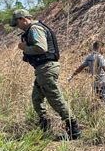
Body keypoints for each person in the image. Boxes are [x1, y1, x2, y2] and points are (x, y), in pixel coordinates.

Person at [10, 9, 81, 139]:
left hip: (46, 68)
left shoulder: (35, 29)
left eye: (17, 23)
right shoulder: (32, 29)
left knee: (55, 98)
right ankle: (44, 126)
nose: (17, 27)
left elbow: (41, 48)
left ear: (23, 19)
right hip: (43, 70)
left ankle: (73, 129)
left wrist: (24, 48)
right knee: (36, 98)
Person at [68, 41, 105, 117]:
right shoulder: (100, 57)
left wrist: (72, 76)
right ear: (101, 48)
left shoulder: (89, 57)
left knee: (99, 98)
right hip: (102, 81)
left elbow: (80, 68)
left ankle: (96, 114)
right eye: (103, 48)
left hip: (95, 82)